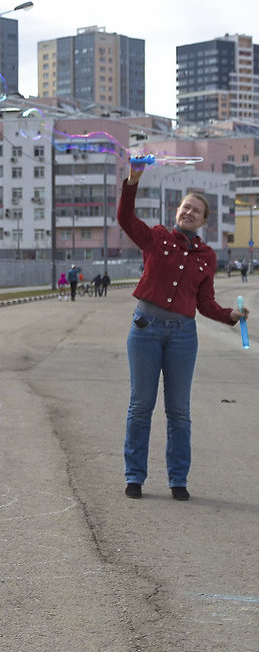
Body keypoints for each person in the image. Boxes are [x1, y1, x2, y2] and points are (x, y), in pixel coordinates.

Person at [117, 158, 248, 501]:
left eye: (196, 210)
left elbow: (204, 303)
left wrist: (230, 315)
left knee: (178, 410)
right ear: (177, 211)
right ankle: (135, 477)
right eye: (185, 207)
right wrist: (133, 180)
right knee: (140, 405)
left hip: (183, 336)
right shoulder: (157, 237)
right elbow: (126, 219)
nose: (189, 212)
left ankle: (178, 480)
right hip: (145, 329)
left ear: (204, 221)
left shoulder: (207, 256)